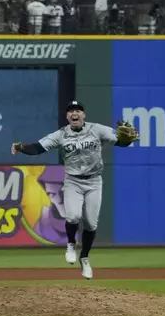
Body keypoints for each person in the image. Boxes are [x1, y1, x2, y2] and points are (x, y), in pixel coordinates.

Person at [10, 101, 137, 279]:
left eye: (77, 110)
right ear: (67, 116)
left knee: (91, 224)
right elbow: (38, 148)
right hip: (73, 182)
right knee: (73, 216)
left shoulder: (97, 129)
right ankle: (70, 244)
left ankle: (84, 258)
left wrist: (127, 139)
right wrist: (21, 147)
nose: (74, 113)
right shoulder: (61, 134)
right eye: (70, 111)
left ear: (83, 115)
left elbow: (121, 141)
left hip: (94, 181)